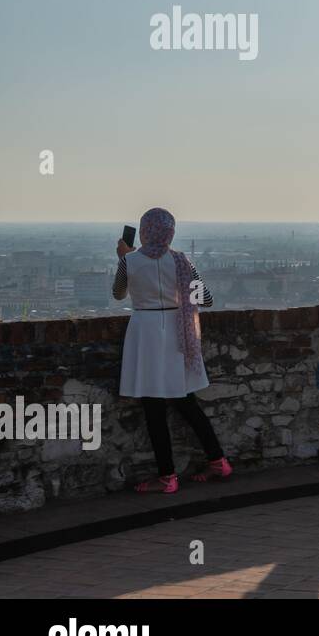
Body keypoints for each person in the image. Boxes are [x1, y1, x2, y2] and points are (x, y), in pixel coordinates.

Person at [113, 208, 231, 493]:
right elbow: (207, 299)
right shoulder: (181, 261)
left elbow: (118, 294)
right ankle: (218, 460)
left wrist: (123, 258)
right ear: (170, 232)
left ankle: (167, 476)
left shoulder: (130, 260)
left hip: (146, 333)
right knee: (185, 401)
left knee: (153, 407)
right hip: (177, 333)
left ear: (143, 231)